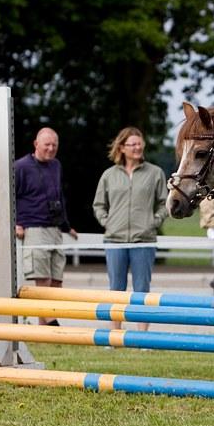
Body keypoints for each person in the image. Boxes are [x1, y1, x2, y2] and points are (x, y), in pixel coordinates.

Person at [92, 127, 168, 332]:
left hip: (144, 239)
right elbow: (98, 205)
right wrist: (107, 222)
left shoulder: (155, 173)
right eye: (132, 144)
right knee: (116, 289)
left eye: (139, 143)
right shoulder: (109, 175)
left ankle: (142, 335)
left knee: (142, 289)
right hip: (114, 240)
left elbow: (164, 203)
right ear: (122, 148)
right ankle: (115, 334)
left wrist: (154, 221)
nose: (137, 147)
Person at [2, 127, 78, 325]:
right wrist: (13, 223)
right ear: (36, 144)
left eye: (54, 145)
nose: (51, 149)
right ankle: (51, 321)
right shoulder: (20, 167)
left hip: (54, 228)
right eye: (47, 145)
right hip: (33, 227)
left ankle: (44, 326)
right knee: (42, 279)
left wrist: (66, 226)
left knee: (57, 279)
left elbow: (58, 197)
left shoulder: (56, 166)